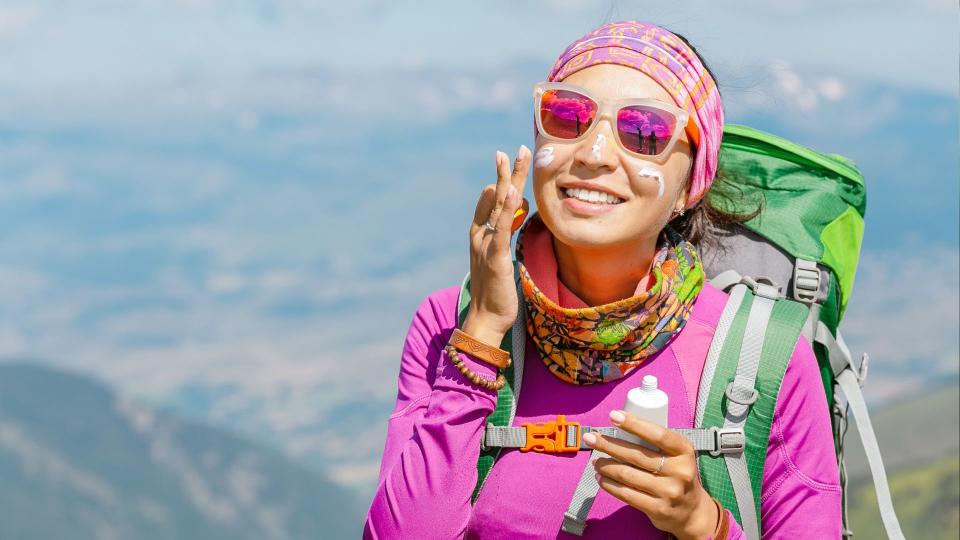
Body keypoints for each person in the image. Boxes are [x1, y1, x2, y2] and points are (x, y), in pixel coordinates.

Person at [364, 20, 841, 539]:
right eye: (568, 116)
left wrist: (704, 525)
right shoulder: (450, 324)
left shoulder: (765, 355)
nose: (592, 154)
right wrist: (481, 331)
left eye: (645, 133)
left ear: (690, 185)